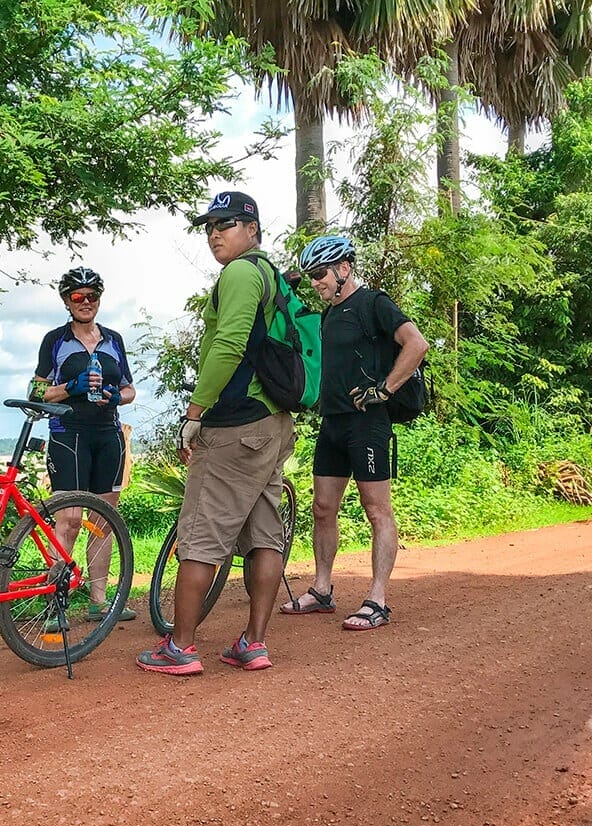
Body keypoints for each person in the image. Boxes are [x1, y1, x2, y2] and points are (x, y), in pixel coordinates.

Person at [136, 191, 295, 675]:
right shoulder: (271, 274)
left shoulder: (242, 272)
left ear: (252, 229)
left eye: (225, 224)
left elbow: (228, 344)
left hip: (235, 426)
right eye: (209, 226)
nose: (214, 234)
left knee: (202, 534)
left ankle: (180, 647)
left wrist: (194, 412)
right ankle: (253, 643)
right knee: (265, 535)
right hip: (272, 423)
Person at [279, 235, 429, 630]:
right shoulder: (329, 314)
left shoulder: (374, 303)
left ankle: (377, 600)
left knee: (376, 509)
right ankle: (322, 590)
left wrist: (385, 390)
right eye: (311, 276)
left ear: (344, 268)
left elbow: (417, 344)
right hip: (333, 422)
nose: (316, 282)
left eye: (320, 274)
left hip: (367, 424)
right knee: (322, 508)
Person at [30, 266, 138, 624]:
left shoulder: (113, 340)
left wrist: (115, 397)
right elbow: (36, 392)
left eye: (92, 296)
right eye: (78, 296)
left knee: (102, 521)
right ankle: (54, 603)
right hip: (69, 434)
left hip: (107, 434)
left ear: (99, 300)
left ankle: (99, 602)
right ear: (67, 301)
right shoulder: (55, 340)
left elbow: (129, 389)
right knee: (70, 520)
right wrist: (70, 387)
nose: (86, 302)